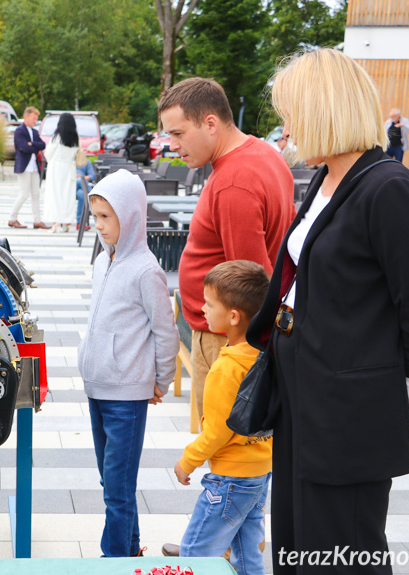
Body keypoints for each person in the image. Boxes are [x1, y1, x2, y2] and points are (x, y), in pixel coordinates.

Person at [249, 48, 409, 575]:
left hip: (346, 414)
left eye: (290, 111)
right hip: (306, 396)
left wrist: (399, 394)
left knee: (340, 553)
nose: (284, 125)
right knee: (296, 543)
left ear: (321, 109)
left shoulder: (388, 188)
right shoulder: (330, 178)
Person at [158, 78, 295, 425]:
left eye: (178, 133)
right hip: (226, 335)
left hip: (226, 341)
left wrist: (244, 357)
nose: (171, 144)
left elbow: (252, 285)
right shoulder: (265, 154)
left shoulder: (234, 182)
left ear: (210, 123)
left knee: (224, 452)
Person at [78, 169, 178, 558]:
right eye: (96, 216)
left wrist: (162, 379)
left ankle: (114, 559)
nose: (99, 226)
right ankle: (131, 549)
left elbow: (165, 331)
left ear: (131, 215)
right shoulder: (104, 261)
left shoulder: (146, 270)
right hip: (98, 386)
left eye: (107, 217)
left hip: (127, 395)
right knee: (111, 481)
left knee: (117, 487)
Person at [174, 260, 271, 575]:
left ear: (233, 316)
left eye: (209, 303)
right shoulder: (267, 355)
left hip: (230, 478)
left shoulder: (227, 367)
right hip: (260, 470)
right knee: (246, 552)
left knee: (195, 552)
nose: (203, 309)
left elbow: (217, 432)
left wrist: (188, 460)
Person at [9, 106, 50, 229]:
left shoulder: (34, 132)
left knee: (36, 194)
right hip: (24, 167)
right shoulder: (20, 131)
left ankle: (37, 220)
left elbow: (42, 145)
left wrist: (33, 144)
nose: (35, 121)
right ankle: (12, 218)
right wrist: (33, 146)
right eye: (33, 118)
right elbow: (24, 148)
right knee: (24, 193)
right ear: (26, 117)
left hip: (34, 167)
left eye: (36, 119)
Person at [44, 112, 79, 233]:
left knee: (55, 195)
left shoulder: (56, 137)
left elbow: (48, 154)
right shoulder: (75, 139)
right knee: (67, 196)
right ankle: (67, 223)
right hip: (69, 168)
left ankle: (56, 223)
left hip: (56, 168)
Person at [75, 154, 97, 229]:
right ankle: (93, 198)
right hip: (70, 187)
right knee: (79, 180)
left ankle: (80, 223)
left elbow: (92, 176)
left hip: (82, 186)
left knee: (81, 194)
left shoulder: (86, 162)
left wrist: (83, 178)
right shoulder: (68, 162)